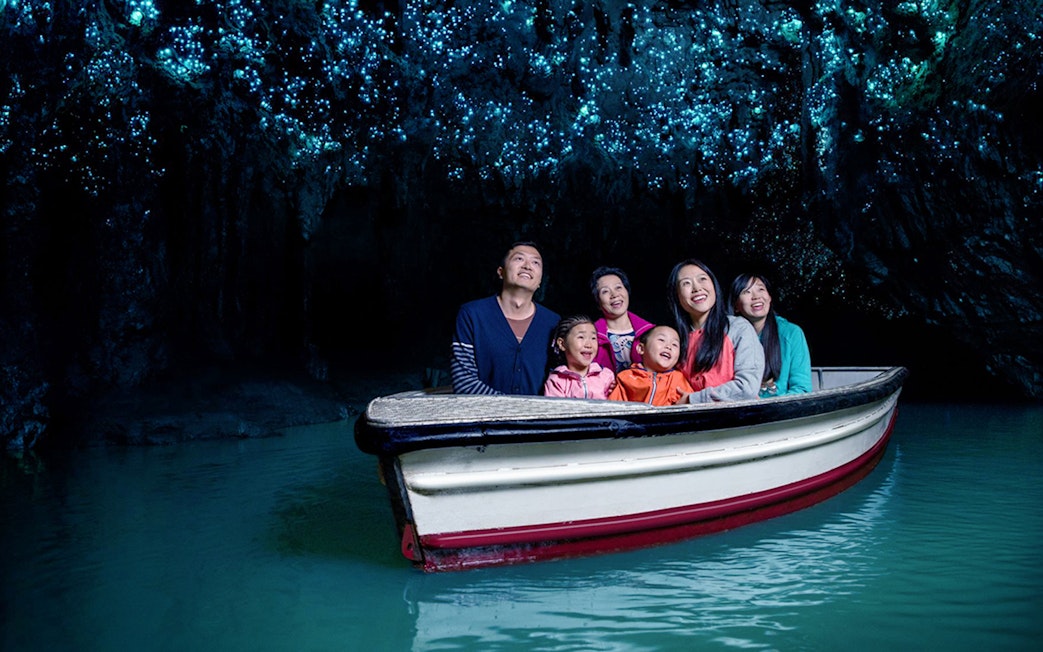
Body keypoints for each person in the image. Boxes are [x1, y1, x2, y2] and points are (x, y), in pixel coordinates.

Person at [451, 241, 560, 395]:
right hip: (481, 411)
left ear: (540, 281)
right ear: (501, 272)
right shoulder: (472, 315)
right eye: (519, 259)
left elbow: (558, 382)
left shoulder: (553, 323)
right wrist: (512, 407)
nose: (527, 266)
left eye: (535, 262)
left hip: (539, 412)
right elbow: (464, 383)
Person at [666, 259, 764, 403]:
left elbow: (747, 388)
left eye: (702, 279)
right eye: (686, 283)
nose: (697, 288)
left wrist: (692, 400)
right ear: (676, 296)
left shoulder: (738, 328)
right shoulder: (675, 340)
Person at [730, 273, 812, 397]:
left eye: (761, 289)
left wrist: (769, 405)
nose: (756, 297)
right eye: (747, 292)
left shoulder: (791, 333)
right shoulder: (728, 337)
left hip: (782, 408)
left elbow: (802, 389)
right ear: (736, 306)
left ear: (769, 297)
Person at [590, 266, 655, 374]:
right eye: (605, 291)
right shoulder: (591, 337)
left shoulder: (651, 333)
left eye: (618, 287)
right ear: (598, 302)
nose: (614, 295)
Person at [608, 325, 694, 406]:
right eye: (661, 340)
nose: (669, 346)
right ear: (641, 348)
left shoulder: (678, 379)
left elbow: (692, 408)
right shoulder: (626, 377)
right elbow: (613, 409)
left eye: (675, 344)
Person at [543, 315, 616, 399]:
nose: (589, 345)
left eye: (593, 338)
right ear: (562, 344)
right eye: (581, 337)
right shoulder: (557, 380)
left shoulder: (606, 376)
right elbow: (555, 407)